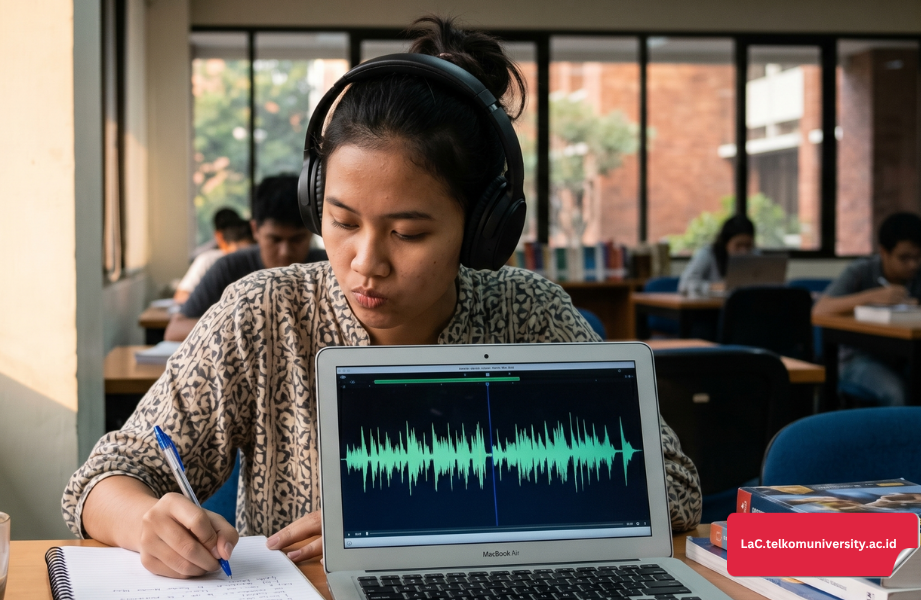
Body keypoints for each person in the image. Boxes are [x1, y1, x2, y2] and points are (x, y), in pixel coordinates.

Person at [62, 16, 702, 579]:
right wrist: (145, 521)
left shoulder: (529, 315)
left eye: (408, 233)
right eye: (342, 222)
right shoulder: (264, 314)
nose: (366, 262)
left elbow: (674, 490)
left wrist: (414, 520)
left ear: (481, 229)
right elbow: (99, 482)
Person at [164, 174, 327, 341]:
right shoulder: (229, 267)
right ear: (255, 230)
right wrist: (249, 328)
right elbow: (176, 329)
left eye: (297, 239)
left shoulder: (327, 268)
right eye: (275, 239)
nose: (285, 251)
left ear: (313, 231)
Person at [813, 212, 921, 405]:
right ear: (884, 252)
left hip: (909, 357)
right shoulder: (861, 270)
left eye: (919, 256)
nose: (913, 264)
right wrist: (872, 297)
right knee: (895, 392)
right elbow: (819, 310)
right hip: (859, 358)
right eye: (904, 258)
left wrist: (916, 302)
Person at [173, 209, 255, 303]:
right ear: (224, 244)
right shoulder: (209, 260)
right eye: (237, 255)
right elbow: (181, 296)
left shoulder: (259, 261)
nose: (242, 260)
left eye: (250, 253)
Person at [677, 215, 756, 294]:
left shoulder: (755, 257)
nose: (744, 251)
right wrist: (716, 287)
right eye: (738, 245)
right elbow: (684, 285)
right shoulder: (708, 254)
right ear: (725, 242)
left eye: (748, 245)